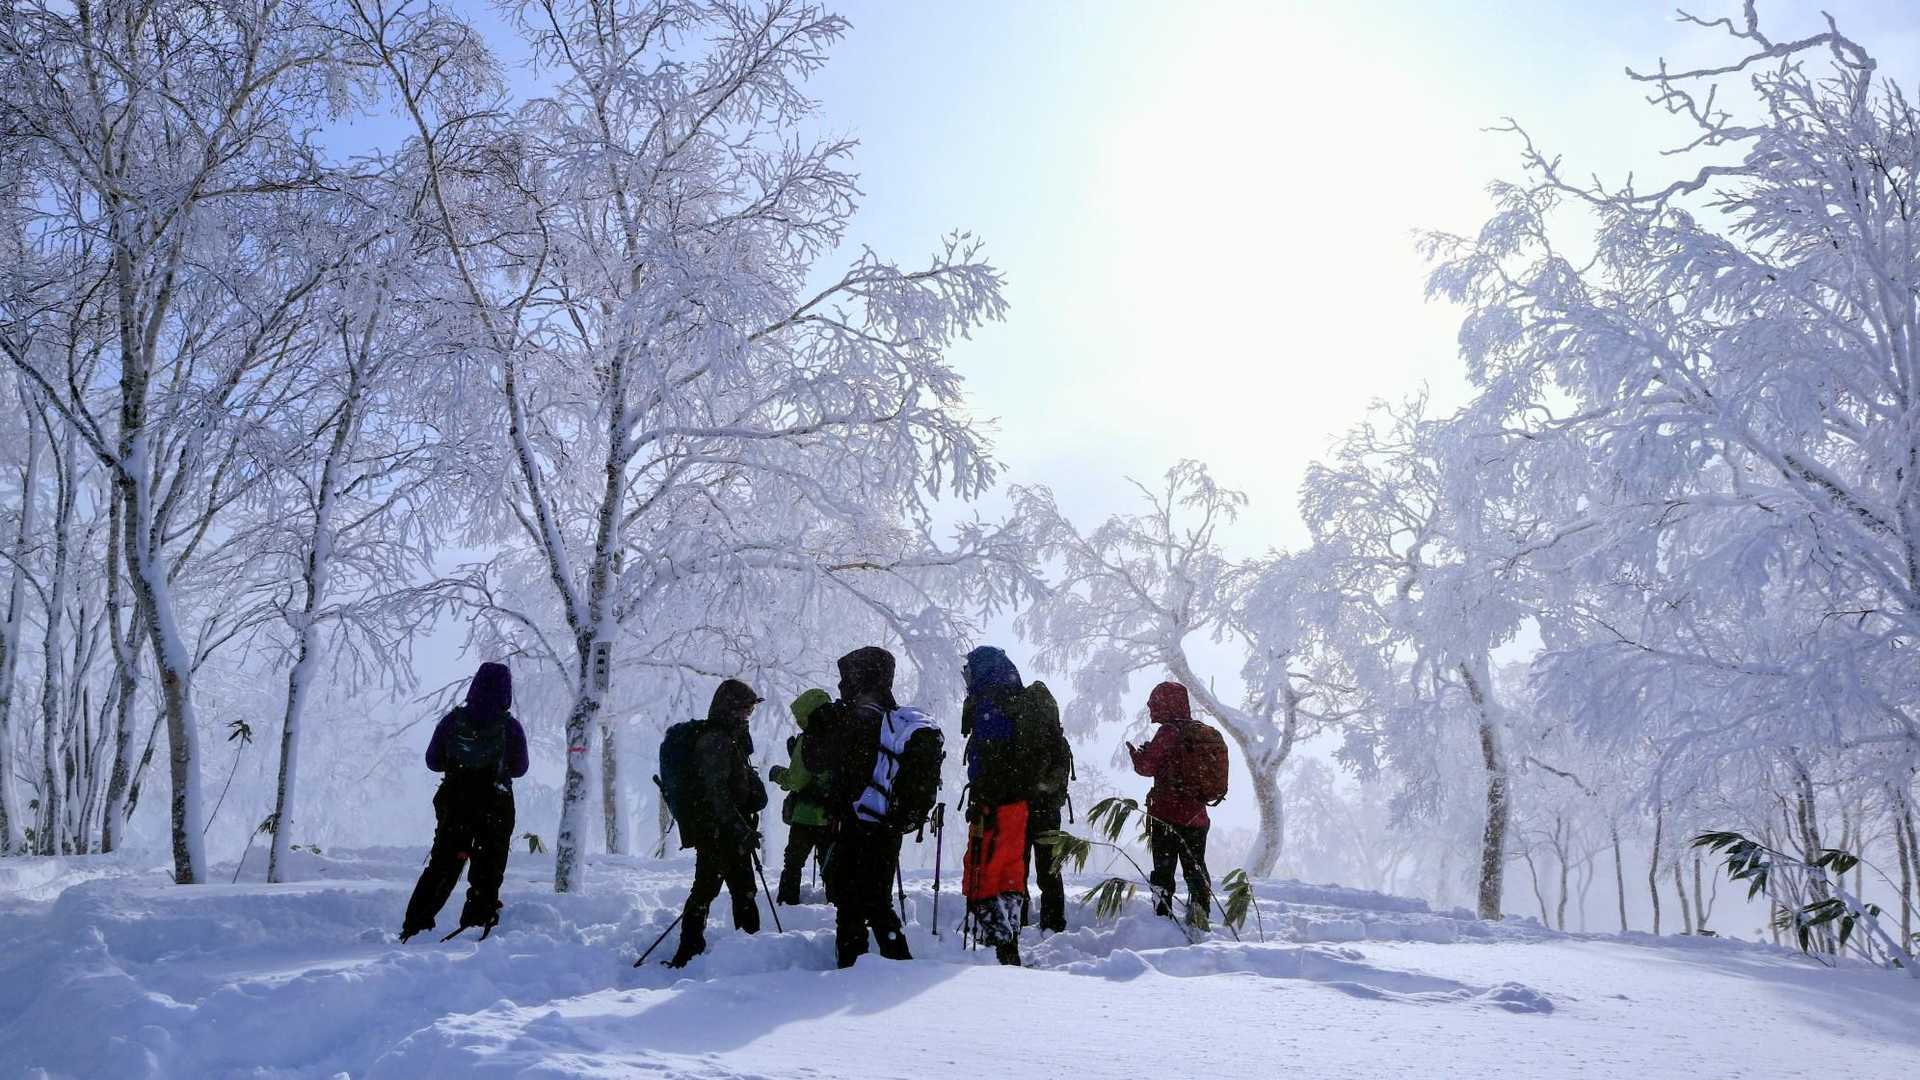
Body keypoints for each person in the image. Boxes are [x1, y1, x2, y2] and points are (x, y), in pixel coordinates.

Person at [807, 646, 944, 968]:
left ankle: (853, 967)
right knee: (877, 900)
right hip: (885, 822)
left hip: (853, 821)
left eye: (846, 678)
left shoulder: (850, 718)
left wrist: (817, 728)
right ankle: (896, 964)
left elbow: (815, 761)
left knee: (852, 903)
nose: (841, 684)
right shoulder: (893, 721)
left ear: (857, 677)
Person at [401, 661, 530, 942]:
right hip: (495, 804)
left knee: (443, 864)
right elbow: (520, 768)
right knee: (488, 865)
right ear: (506, 691)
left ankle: (416, 924)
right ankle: (477, 920)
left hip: (456, 803)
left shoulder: (452, 721)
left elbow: (433, 761)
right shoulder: (510, 727)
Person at [959, 646, 1063, 964]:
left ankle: (1002, 947)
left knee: (993, 872)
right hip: (1024, 803)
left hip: (1000, 806)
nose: (966, 676)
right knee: (1016, 872)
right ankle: (1022, 937)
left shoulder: (993, 704)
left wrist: (985, 797)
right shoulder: (1017, 702)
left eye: (969, 669)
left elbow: (991, 759)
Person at [663, 678, 770, 968]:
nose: (748, 715)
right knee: (706, 890)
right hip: (716, 831)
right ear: (729, 708)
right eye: (745, 709)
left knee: (744, 890)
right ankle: (688, 952)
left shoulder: (732, 738)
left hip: (731, 830)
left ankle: (748, 949)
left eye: (750, 710)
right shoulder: (716, 741)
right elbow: (716, 792)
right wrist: (738, 828)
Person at [1126, 681, 1218, 929]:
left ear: (1165, 704)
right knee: (1195, 868)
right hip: (1197, 817)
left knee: (1163, 871)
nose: (1151, 708)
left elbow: (1147, 767)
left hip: (1168, 816)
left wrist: (1137, 755)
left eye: (1155, 703)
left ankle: (1162, 918)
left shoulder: (1168, 732)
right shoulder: (1197, 731)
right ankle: (1200, 916)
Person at [769, 688, 833, 905]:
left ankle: (788, 906)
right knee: (831, 865)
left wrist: (778, 774)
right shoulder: (843, 737)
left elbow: (796, 781)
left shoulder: (806, 741)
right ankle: (836, 907)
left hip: (805, 815)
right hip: (833, 816)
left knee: (793, 863)